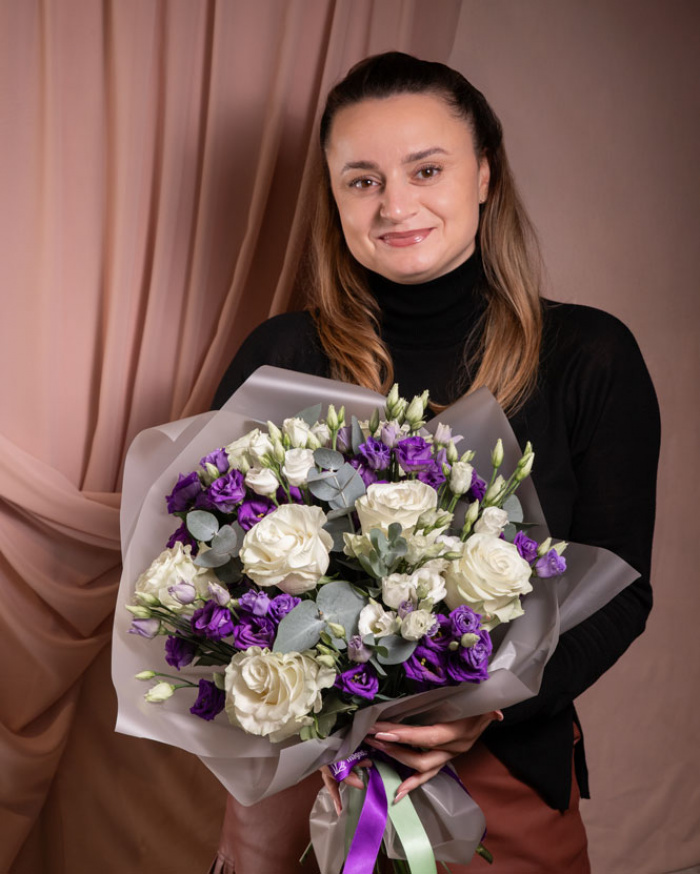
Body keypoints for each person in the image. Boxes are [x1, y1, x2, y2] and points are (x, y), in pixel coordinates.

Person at [208, 52, 659, 873]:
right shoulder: (282, 356)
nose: (395, 204)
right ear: (334, 196)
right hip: (302, 782)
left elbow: (621, 590)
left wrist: (488, 712)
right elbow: (207, 568)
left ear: (484, 175)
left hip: (502, 770)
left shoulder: (588, 356)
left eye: (426, 170)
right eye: (363, 180)